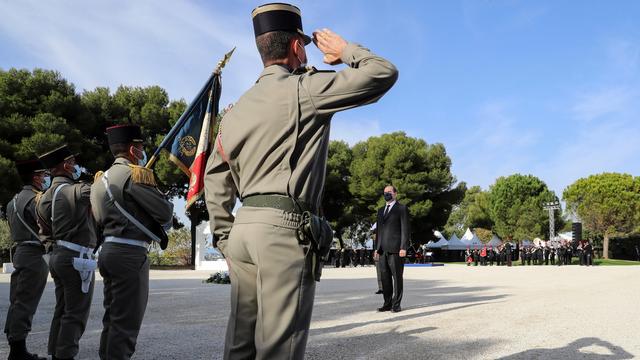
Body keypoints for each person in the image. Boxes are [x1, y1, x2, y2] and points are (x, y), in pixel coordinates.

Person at [203, 3, 398, 358]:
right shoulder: (304, 89)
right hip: (282, 231)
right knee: (280, 349)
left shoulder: (234, 111)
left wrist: (224, 238)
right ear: (296, 47)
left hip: (243, 231)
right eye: (304, 45)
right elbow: (382, 73)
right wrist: (345, 50)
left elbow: (214, 179)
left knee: (240, 346)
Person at [90, 124, 173, 360]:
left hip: (108, 250)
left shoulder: (99, 180)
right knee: (126, 321)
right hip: (129, 253)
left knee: (112, 317)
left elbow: (97, 218)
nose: (143, 151)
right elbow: (165, 213)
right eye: (140, 147)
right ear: (133, 149)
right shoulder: (134, 174)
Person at [36, 145, 97, 360]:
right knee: (75, 314)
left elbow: (44, 231)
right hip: (76, 257)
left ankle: (55, 353)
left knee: (62, 310)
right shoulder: (77, 190)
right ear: (65, 165)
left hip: (58, 255)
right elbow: (102, 191)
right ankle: (65, 355)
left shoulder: (43, 197)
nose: (75, 166)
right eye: (72, 162)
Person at [4, 159, 50, 360]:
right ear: (36, 177)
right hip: (33, 253)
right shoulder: (36, 199)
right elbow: (48, 226)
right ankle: (18, 350)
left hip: (20, 252)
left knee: (17, 301)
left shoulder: (11, 201)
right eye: (43, 175)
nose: (45, 178)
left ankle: (16, 345)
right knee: (25, 303)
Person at [375, 185, 410, 313]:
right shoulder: (380, 210)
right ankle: (387, 303)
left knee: (397, 277)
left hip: (396, 249)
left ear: (395, 194)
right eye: (385, 192)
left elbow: (405, 229)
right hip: (382, 249)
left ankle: (396, 304)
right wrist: (376, 248)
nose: (387, 194)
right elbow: (379, 231)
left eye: (389, 192)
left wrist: (403, 247)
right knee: (385, 278)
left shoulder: (402, 208)